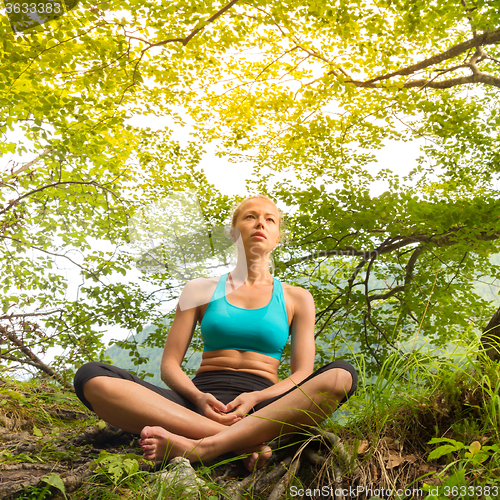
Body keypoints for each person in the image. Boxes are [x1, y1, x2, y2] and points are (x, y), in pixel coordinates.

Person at [74, 195, 357, 471]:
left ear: (277, 237)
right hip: (197, 403)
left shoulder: (297, 297)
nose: (260, 223)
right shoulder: (200, 289)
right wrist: (198, 397)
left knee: (340, 376)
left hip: (264, 406)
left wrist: (256, 399)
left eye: (269, 219)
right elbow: (170, 366)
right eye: (250, 217)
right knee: (93, 379)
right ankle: (243, 442)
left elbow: (302, 373)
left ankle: (204, 446)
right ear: (233, 232)